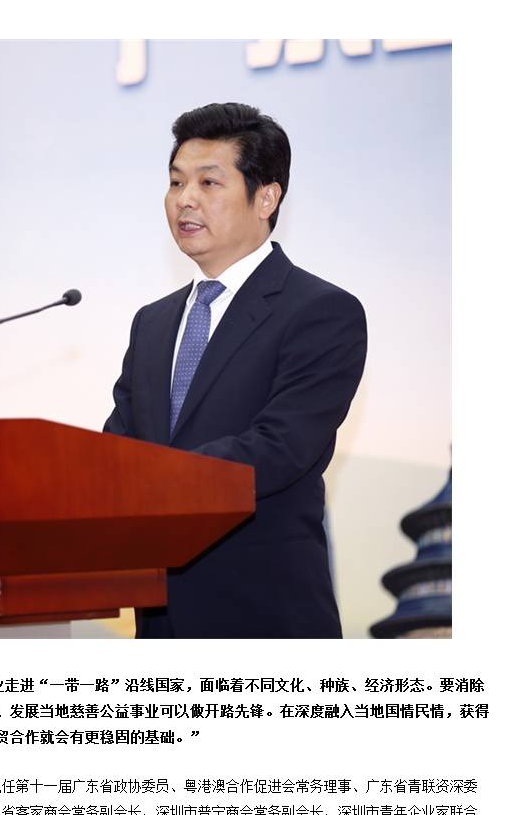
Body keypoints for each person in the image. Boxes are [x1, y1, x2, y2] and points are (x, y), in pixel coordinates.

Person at [104, 102, 367, 639]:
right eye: (176, 182)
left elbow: (280, 446)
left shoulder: (320, 311)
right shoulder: (152, 323)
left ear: (266, 197)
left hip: (265, 617)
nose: (185, 199)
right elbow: (119, 446)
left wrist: (154, 481)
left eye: (208, 182)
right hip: (159, 621)